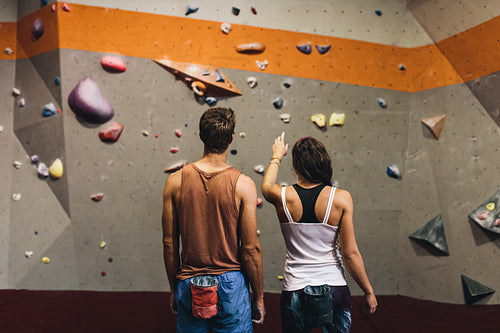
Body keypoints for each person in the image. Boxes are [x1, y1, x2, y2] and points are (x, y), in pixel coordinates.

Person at [162, 107, 265, 332]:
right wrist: (258, 297)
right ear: (230, 139)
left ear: (200, 136)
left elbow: (169, 243)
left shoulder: (175, 181)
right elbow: (250, 249)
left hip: (189, 282)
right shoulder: (244, 185)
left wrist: (173, 289)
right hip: (231, 286)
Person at [261, 133, 377, 333]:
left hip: (294, 288)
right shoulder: (341, 199)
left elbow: (266, 185)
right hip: (333, 287)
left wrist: (277, 156)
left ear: (296, 167)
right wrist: (368, 291)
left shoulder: (282, 196)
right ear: (324, 163)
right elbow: (350, 253)